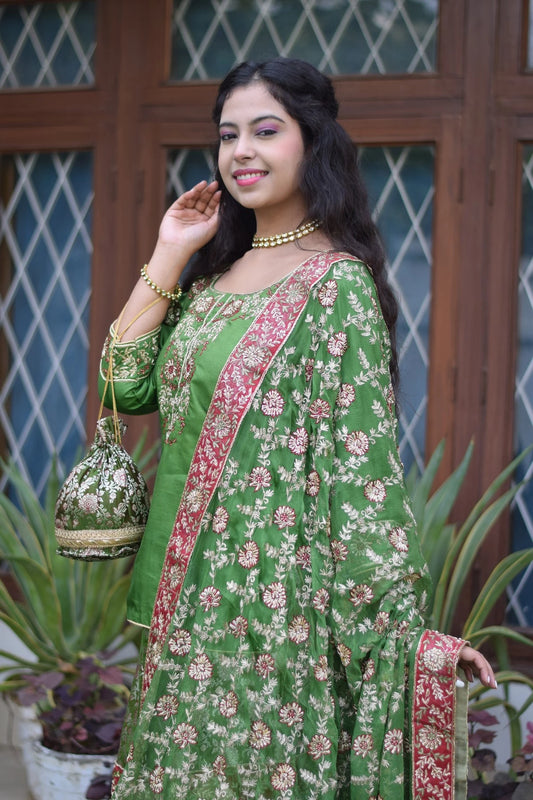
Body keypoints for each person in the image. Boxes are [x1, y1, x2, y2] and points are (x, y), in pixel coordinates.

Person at [99, 57, 496, 800]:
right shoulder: (212, 279)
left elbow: (362, 477)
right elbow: (123, 388)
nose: (240, 150)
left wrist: (410, 641)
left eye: (265, 130)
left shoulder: (334, 286)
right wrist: (170, 248)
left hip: (272, 621)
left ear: (312, 143)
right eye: (227, 134)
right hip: (185, 614)